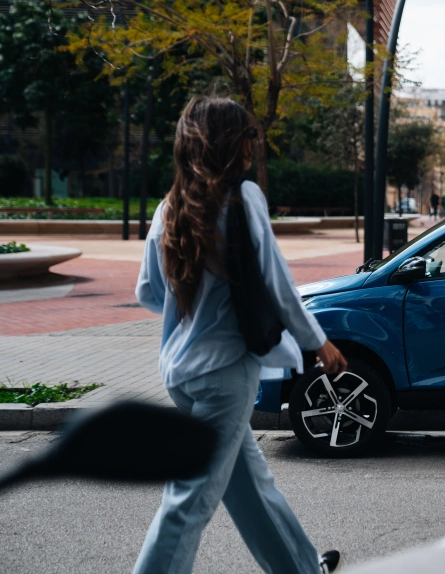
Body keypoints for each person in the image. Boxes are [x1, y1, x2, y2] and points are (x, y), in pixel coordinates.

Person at [134, 96, 347, 574]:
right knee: (188, 502)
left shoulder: (169, 207)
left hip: (180, 371)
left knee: (251, 484)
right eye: (248, 135)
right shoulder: (243, 197)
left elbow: (149, 292)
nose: (254, 144)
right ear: (229, 143)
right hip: (226, 373)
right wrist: (318, 341)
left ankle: (301, 568)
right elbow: (278, 284)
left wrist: (197, 308)